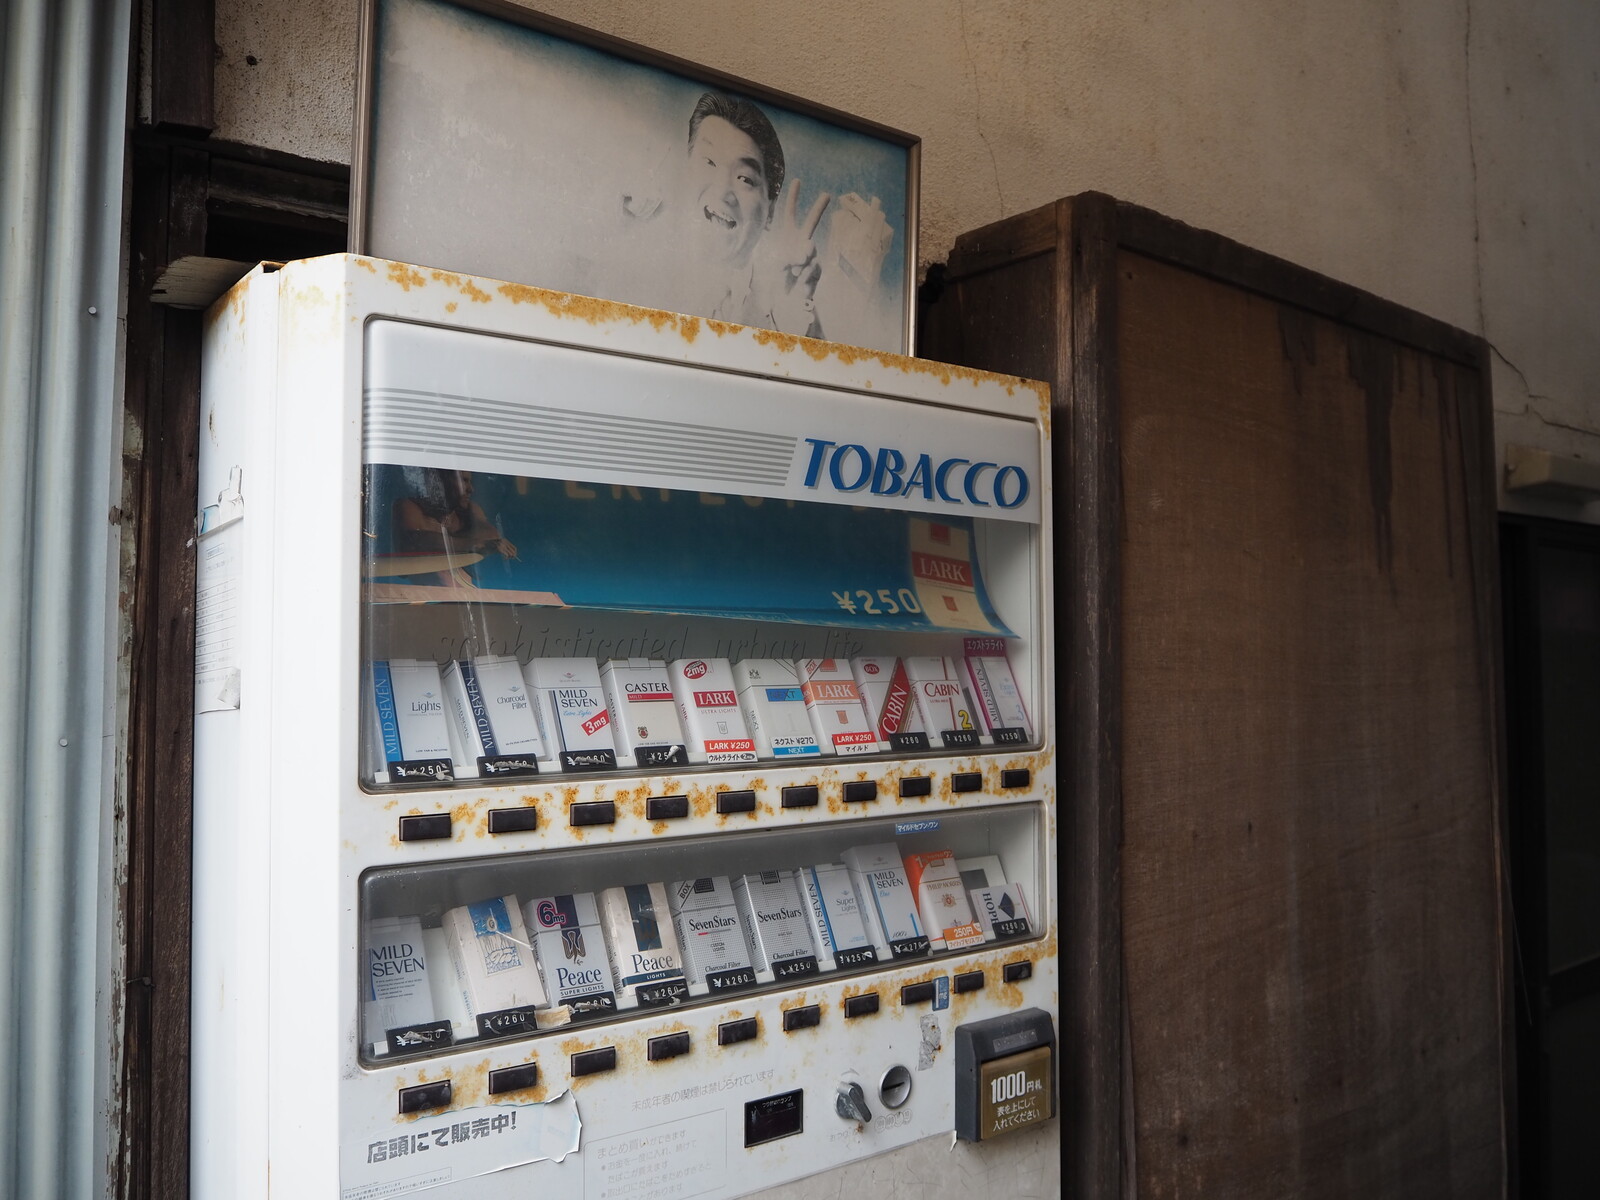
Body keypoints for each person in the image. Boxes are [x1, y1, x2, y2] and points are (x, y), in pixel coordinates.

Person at [680, 91, 831, 337]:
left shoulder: (783, 310)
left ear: (770, 211)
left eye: (745, 179)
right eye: (709, 162)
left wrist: (793, 327)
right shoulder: (631, 263)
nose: (722, 191)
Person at [391, 469, 517, 560]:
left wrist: (485, 543)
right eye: (464, 480)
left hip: (463, 583)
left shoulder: (469, 510)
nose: (471, 489)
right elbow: (415, 541)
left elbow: (491, 535)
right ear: (443, 481)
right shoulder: (409, 507)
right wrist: (475, 544)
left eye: (470, 482)